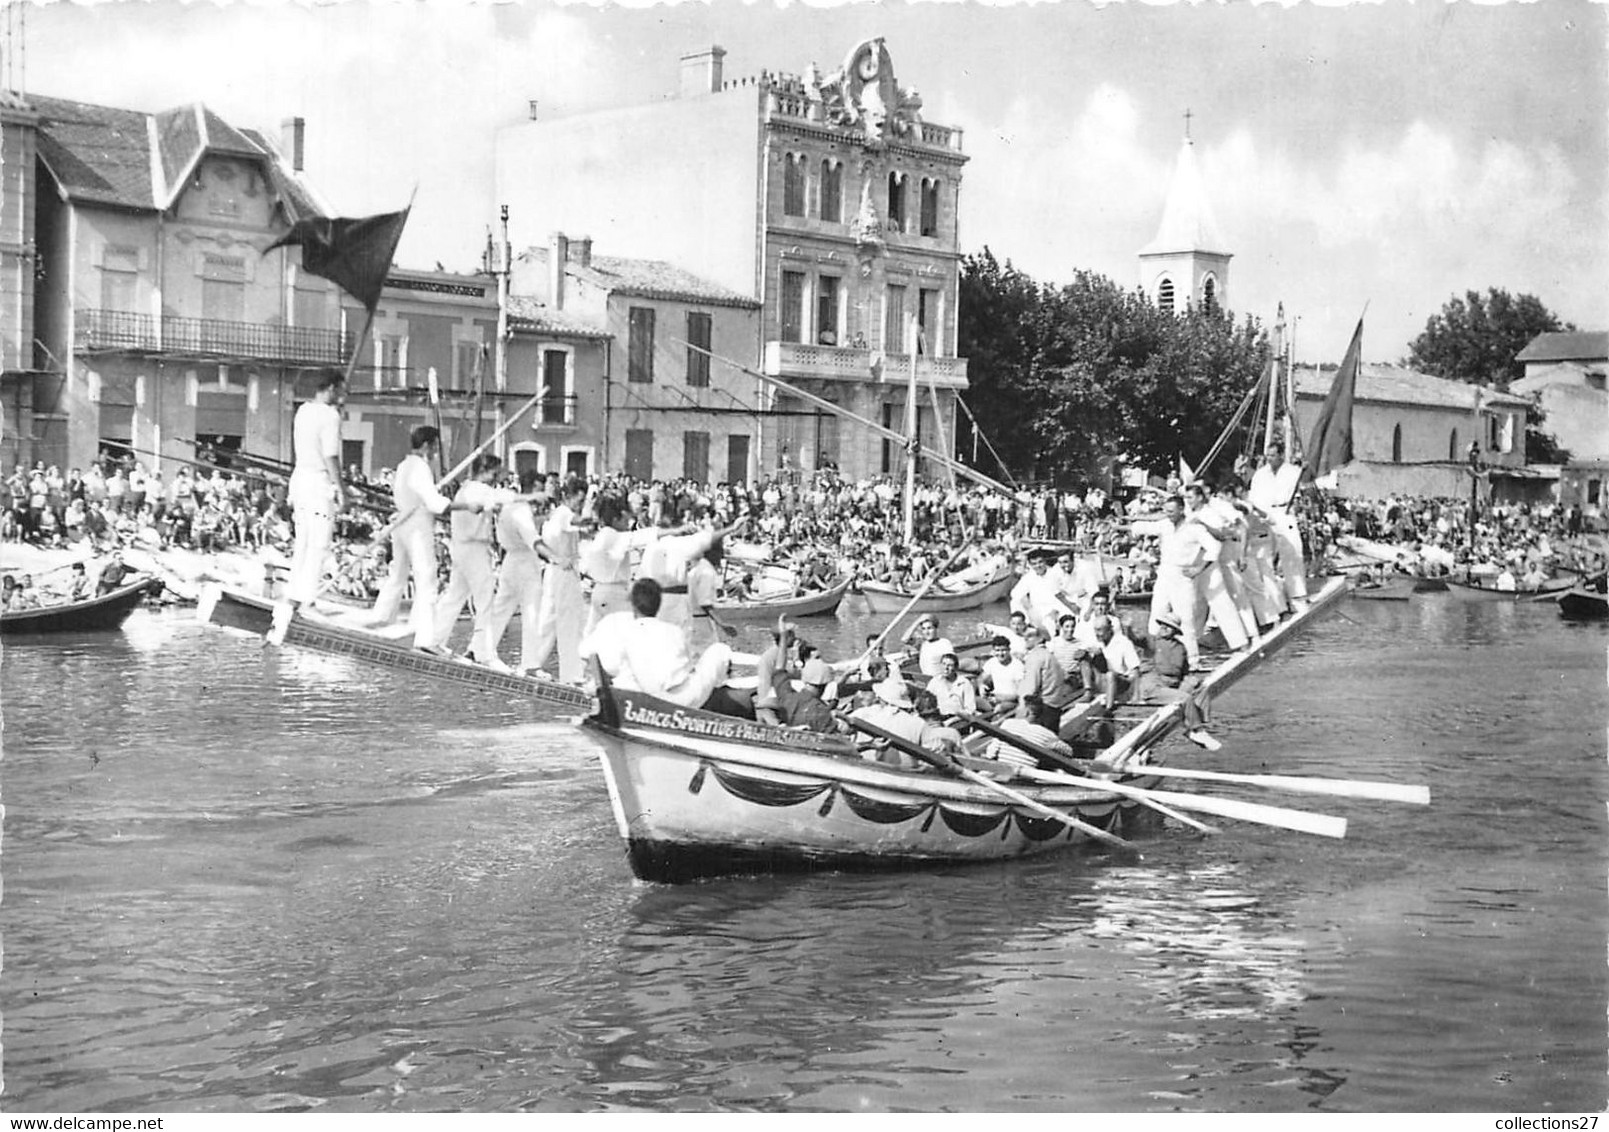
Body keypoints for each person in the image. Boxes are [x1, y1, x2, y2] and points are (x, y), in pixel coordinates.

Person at [370, 426, 483, 653]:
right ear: (426, 445)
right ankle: (426, 639)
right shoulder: (420, 467)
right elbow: (434, 503)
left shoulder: (403, 466)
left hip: (402, 523)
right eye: (434, 446)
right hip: (416, 527)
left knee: (398, 574)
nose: (435, 451)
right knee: (427, 580)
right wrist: (468, 506)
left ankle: (380, 618)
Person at [271, 369, 345, 642]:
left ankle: (294, 595)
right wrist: (342, 490)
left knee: (303, 543)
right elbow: (330, 456)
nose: (343, 395)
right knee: (318, 544)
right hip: (318, 482)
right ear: (331, 389)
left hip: (299, 480)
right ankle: (308, 601)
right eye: (341, 389)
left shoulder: (303, 411)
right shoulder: (330, 415)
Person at [579, 578, 733, 708]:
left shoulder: (617, 625)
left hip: (633, 697)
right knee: (719, 650)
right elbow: (685, 668)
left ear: (632, 604)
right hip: (679, 701)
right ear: (659, 605)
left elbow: (586, 654)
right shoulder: (674, 631)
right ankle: (720, 696)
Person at [473, 468, 552, 673]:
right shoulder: (522, 511)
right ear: (534, 488)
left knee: (501, 608)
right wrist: (555, 558)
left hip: (510, 559)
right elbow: (533, 540)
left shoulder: (509, 507)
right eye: (541, 489)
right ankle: (530, 664)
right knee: (532, 612)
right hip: (525, 561)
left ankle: (479, 649)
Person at [430, 454, 507, 652]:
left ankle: (434, 640)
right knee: (485, 598)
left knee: (455, 595)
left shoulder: (465, 489)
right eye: (494, 473)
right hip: (474, 549)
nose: (497, 477)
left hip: (462, 547)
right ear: (483, 471)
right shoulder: (481, 490)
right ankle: (480, 650)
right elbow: (504, 501)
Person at [1130, 494, 1214, 670]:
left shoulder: (1194, 528)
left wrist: (1199, 568)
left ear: (1182, 509)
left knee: (1186, 618)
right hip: (1165, 574)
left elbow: (1214, 548)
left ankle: (1192, 660)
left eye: (1171, 511)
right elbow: (1145, 526)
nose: (1168, 514)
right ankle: (1154, 657)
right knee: (1156, 615)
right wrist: (1125, 525)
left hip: (1183, 577)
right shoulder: (1165, 525)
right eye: (1166, 511)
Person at [528, 476, 589, 681]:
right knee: (569, 621)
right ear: (568, 496)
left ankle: (532, 662)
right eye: (578, 500)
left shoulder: (558, 514)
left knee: (549, 619)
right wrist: (596, 518)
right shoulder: (564, 513)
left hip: (557, 571)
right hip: (562, 571)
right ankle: (572, 674)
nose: (579, 505)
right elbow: (576, 521)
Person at [1140, 611, 1220, 750]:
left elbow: (1184, 672)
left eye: (1168, 626)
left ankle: (1198, 727)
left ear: (1175, 631)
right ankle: (1197, 730)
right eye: (1162, 625)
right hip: (1154, 687)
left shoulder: (1180, 648)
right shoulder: (1152, 642)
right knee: (1185, 698)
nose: (1164, 628)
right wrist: (1128, 629)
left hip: (1172, 685)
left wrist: (1191, 680)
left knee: (1201, 688)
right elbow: (1136, 639)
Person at [1248, 442, 1309, 612]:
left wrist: (1305, 470)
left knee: (1292, 554)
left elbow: (1306, 485)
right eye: (1268, 455)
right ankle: (1272, 598)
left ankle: (1297, 595)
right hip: (1265, 514)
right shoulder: (1260, 474)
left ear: (1281, 455)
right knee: (1265, 556)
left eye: (1273, 455)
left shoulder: (1293, 472)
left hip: (1285, 512)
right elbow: (1254, 496)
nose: (1269, 459)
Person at [1016, 625, 1080, 734]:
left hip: (1041, 711)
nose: (1025, 639)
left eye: (1030, 636)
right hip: (1054, 707)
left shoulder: (1035, 657)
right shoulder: (1050, 656)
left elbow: (1030, 689)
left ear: (1040, 638)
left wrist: (1021, 711)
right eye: (1024, 635)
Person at [978, 634, 1026, 719]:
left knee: (999, 708)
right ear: (993, 651)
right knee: (973, 701)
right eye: (997, 650)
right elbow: (981, 678)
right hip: (994, 699)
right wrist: (981, 686)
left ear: (1009, 650)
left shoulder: (1017, 666)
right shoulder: (992, 662)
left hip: (1011, 702)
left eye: (1003, 650)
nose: (1000, 654)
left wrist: (1000, 698)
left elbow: (1020, 694)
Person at [901, 613, 955, 678]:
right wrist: (918, 621)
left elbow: (951, 665)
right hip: (926, 680)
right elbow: (905, 639)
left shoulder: (944, 643)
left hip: (940, 680)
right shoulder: (922, 644)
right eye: (923, 629)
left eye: (929, 628)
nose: (926, 632)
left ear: (936, 629)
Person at [925, 652, 977, 718]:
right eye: (944, 664)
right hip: (939, 718)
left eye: (950, 665)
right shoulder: (934, 682)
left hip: (959, 719)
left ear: (955, 668)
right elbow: (926, 701)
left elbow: (970, 710)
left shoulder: (964, 683)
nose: (946, 668)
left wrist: (953, 719)